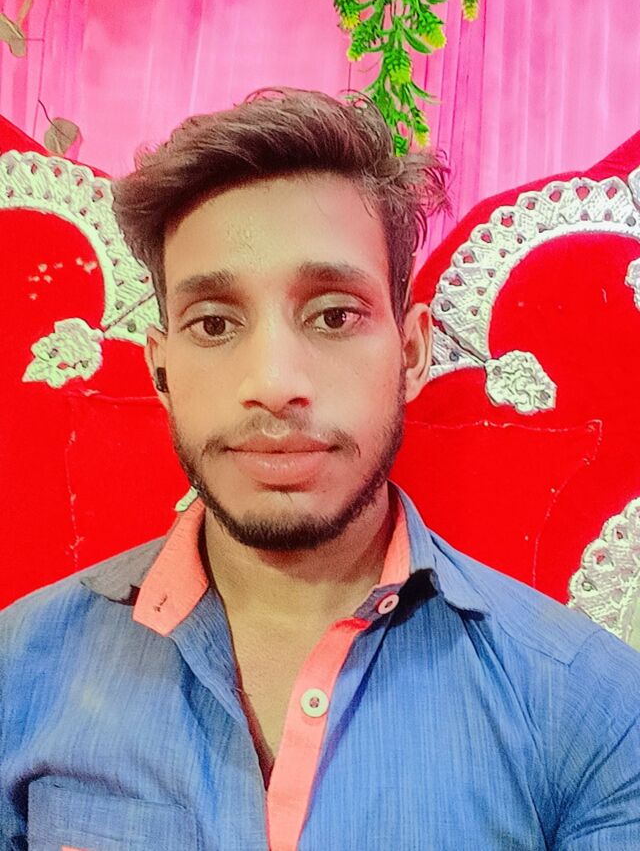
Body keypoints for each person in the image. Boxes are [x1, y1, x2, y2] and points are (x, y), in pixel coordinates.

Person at [1, 88, 639, 851]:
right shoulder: (19, 669)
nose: (273, 382)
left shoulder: (592, 708)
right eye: (214, 323)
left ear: (412, 353)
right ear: (161, 370)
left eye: (334, 315)